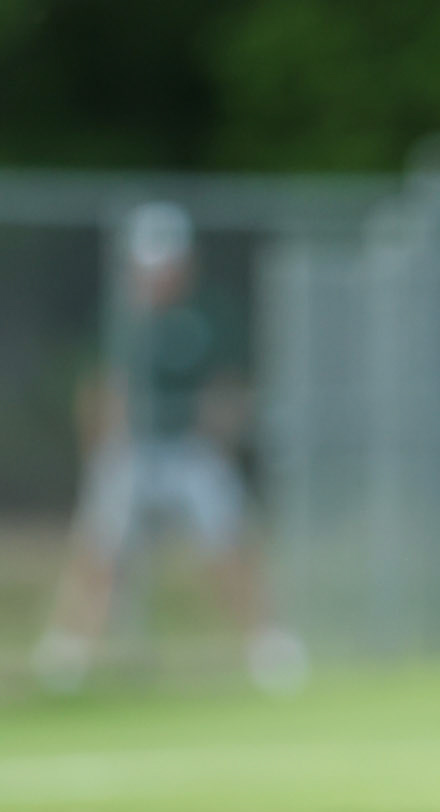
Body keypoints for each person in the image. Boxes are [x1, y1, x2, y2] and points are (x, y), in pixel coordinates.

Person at [32, 201, 307, 695]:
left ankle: (270, 649)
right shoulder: (120, 318)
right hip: (131, 451)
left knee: (230, 544)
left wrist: (216, 438)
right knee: (98, 554)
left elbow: (228, 390)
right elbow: (99, 391)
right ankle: (66, 661)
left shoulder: (208, 313)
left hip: (189, 452)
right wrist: (102, 453)